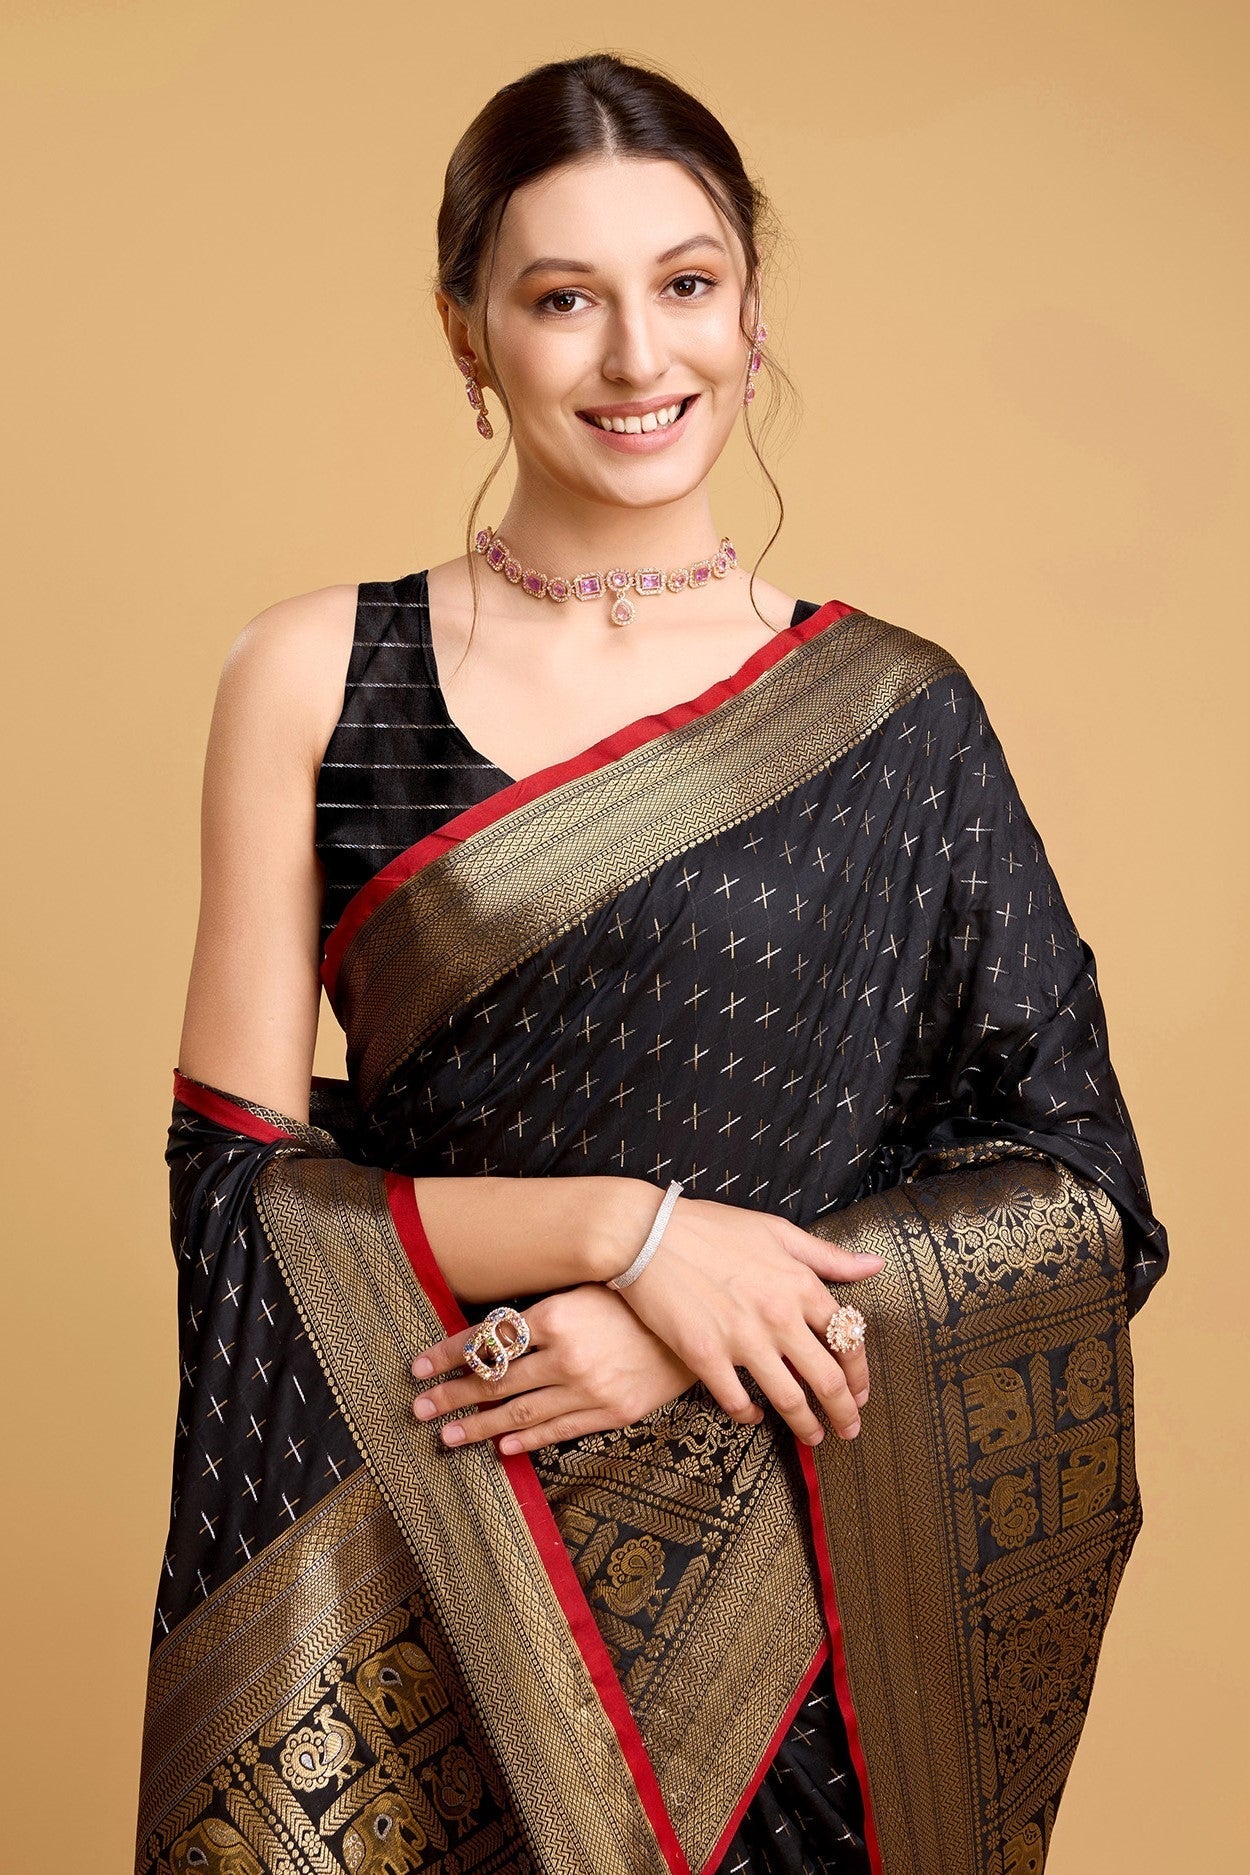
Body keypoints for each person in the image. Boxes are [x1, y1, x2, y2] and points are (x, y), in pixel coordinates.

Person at [136, 52, 1169, 1875]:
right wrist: (630, 1235)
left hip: (794, 1635)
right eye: (562, 299)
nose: (637, 357)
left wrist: (674, 1343)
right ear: (466, 333)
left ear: (749, 310)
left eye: (686, 284)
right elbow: (233, 1199)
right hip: (440, 1579)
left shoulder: (898, 719)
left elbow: (1076, 1191)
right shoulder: (317, 676)